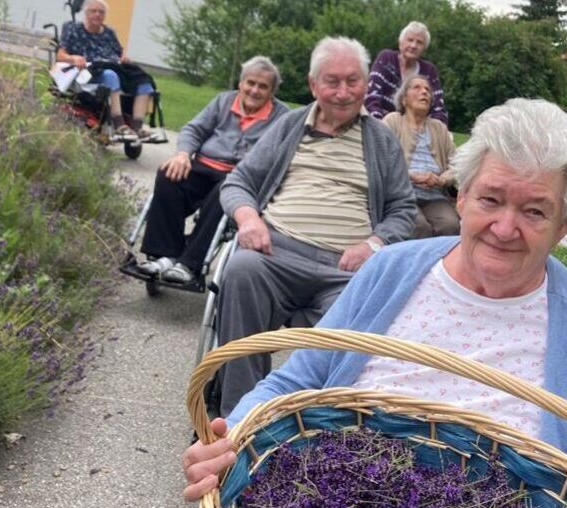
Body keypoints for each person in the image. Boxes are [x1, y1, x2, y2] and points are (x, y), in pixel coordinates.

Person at [182, 98, 567, 508]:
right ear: (460, 197)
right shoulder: (391, 271)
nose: (505, 228)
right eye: (490, 200)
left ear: (564, 227)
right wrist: (233, 436)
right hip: (338, 504)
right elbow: (293, 383)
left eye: (534, 211)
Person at [208, 36, 416, 418]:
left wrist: (373, 244)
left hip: (345, 269)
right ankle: (238, 420)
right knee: (241, 270)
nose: (343, 92)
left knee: (363, 320)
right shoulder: (289, 126)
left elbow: (403, 208)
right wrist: (248, 218)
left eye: (352, 81)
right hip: (276, 253)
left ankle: (315, 426)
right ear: (313, 84)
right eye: (332, 81)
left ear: (366, 83)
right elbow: (239, 182)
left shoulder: (381, 139)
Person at [136, 57, 288, 284]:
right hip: (204, 166)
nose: (254, 90)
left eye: (263, 86)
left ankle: (189, 264)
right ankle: (164, 256)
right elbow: (194, 129)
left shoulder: (282, 117)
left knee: (227, 191)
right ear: (241, 83)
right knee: (168, 175)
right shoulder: (224, 101)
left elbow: (279, 157)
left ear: (272, 91)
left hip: (240, 176)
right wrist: (183, 154)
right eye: (250, 83)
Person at [56, 0, 155, 140]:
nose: (97, 14)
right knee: (110, 75)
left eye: (101, 12)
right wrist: (73, 58)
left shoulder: (109, 33)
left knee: (144, 80)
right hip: (89, 70)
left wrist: (124, 57)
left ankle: (137, 127)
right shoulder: (73, 29)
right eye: (93, 11)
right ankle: (120, 125)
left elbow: (119, 52)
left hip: (114, 66)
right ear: (86, 13)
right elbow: (60, 55)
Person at [383, 74, 459, 238]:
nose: (424, 92)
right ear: (404, 99)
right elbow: (382, 159)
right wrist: (412, 176)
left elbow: (457, 165)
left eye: (427, 90)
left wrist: (442, 180)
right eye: (417, 88)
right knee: (418, 226)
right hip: (403, 193)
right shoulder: (392, 121)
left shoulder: (439, 128)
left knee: (450, 225)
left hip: (435, 194)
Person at [365, 21, 448, 125]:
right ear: (400, 43)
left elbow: (438, 108)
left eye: (419, 42)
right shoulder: (386, 59)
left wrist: (437, 129)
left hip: (415, 128)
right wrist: (380, 127)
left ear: (424, 48)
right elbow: (371, 96)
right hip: (381, 123)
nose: (413, 45)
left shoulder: (429, 71)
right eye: (410, 40)